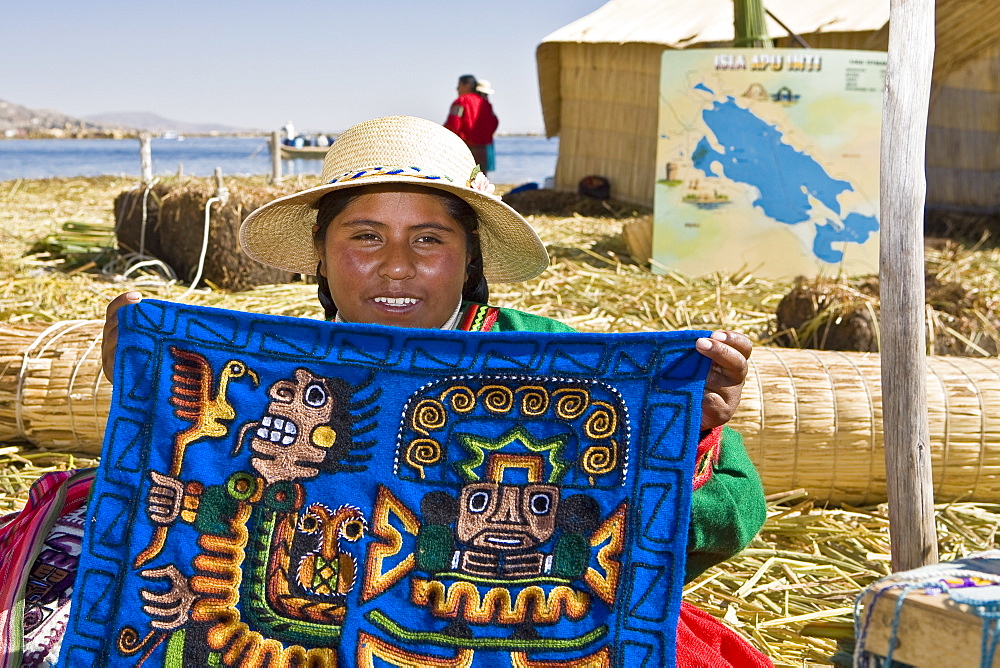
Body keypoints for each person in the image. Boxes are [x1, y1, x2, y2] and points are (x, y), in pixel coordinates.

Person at [22, 116, 769, 666]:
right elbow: (204, 485)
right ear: (320, 254)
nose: (397, 266)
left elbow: (732, 512)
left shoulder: (563, 366)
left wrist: (684, 439)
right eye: (365, 236)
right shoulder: (266, 374)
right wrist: (145, 389)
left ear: (470, 255)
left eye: (429, 239)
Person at [443, 74, 498, 174]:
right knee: (481, 177)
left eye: (459, 85)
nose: (457, 88)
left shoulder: (461, 101)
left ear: (467, 86)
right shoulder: (485, 103)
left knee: (462, 175)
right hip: (482, 148)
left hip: (465, 147)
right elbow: (494, 121)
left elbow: (454, 123)